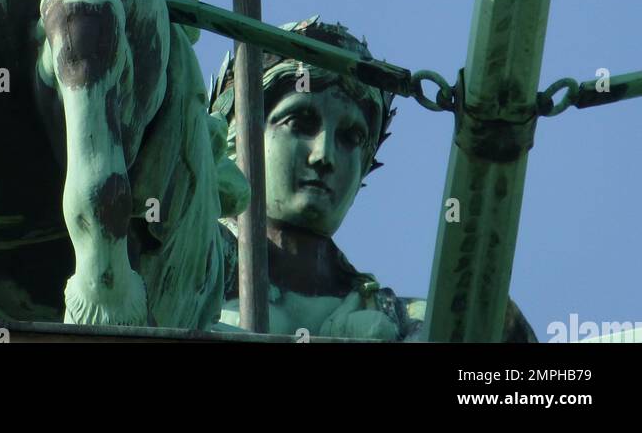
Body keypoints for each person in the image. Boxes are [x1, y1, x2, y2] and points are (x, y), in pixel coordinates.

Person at [209, 17, 536, 341]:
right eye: (300, 122)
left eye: (350, 138)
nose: (323, 155)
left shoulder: (406, 322)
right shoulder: (185, 259)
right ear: (234, 139)